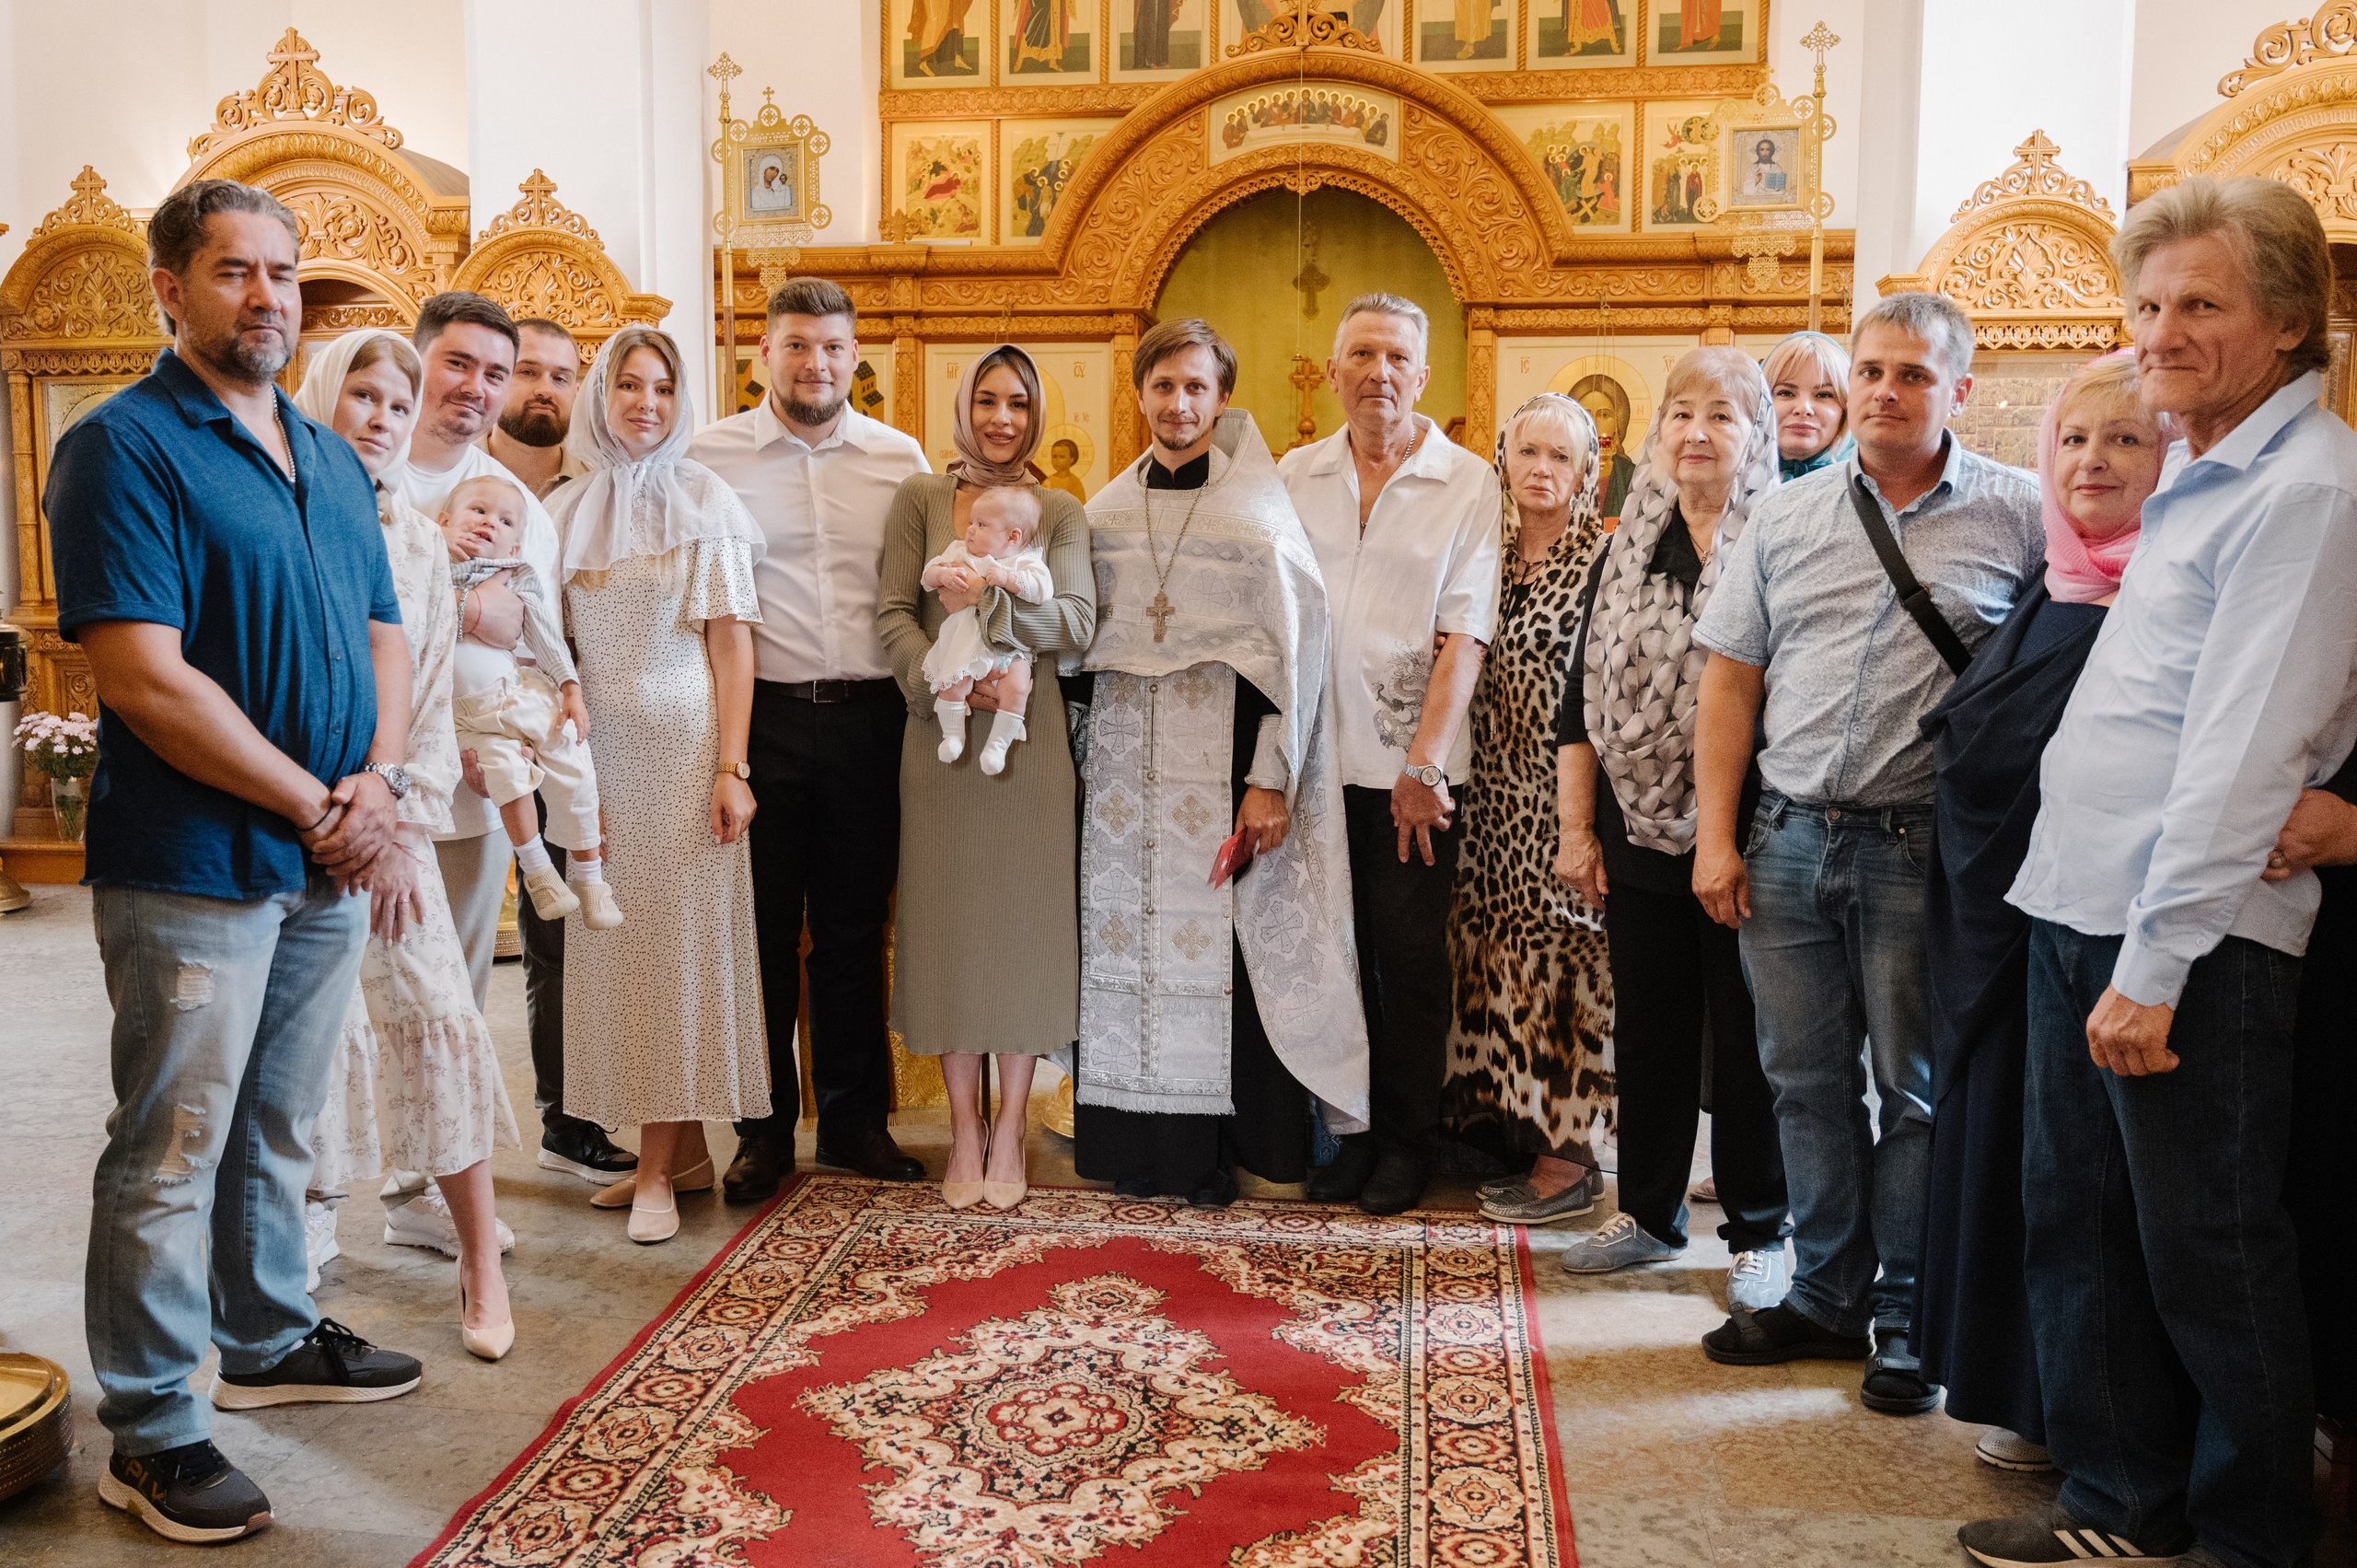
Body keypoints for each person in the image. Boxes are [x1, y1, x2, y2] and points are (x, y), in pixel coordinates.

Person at [1964, 177, 2357, 1568]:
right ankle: (2120, 1503)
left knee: (2209, 1250)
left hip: (2191, 937)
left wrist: (2152, 967)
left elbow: (2245, 756)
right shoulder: (2199, 465)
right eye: (2146, 303)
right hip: (2083, 902)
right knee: (2080, 1229)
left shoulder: (2309, 490)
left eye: (2201, 303)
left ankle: (2252, 1537)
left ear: (2293, 321)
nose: (2161, 331)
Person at [51, 179, 422, 1545]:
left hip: (321, 849)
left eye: (282, 271)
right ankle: (152, 1425)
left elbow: (384, 626)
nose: (265, 295)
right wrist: (320, 804)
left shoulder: (323, 453)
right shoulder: (125, 447)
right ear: (169, 286)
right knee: (171, 1144)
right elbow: (147, 678)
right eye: (232, 271)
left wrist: (371, 780)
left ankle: (265, 1335)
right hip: (194, 857)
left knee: (277, 1118)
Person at [1689, 291, 2040, 1415]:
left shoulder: (2022, 516)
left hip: (1917, 848)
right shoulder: (1785, 517)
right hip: (1787, 836)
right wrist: (1714, 835)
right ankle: (1827, 1290)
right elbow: (1731, 677)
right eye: (1872, 372)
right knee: (1801, 1080)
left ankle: (1903, 1312)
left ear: (1959, 391)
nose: (1886, 393)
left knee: (1914, 1090)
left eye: (1913, 376)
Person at [1913, 352, 2164, 1478]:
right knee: (2010, 1170)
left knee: (2094, 1197)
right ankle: (2018, 1389)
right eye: (2072, 438)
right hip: (1997, 948)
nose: (2092, 461)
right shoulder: (2050, 596)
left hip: (2100, 947)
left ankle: (2099, 1423)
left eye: (2124, 439)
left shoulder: (2161, 604)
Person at [1069, 319, 1369, 1205]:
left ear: (1223, 398)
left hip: (1222, 768)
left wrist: (1269, 778)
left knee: (1225, 960)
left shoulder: (1256, 517)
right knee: (1124, 948)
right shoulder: (1103, 515)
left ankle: (1216, 1158)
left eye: (1196, 387)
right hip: (1124, 775)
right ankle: (1141, 1152)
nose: (1178, 404)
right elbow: (1078, 654)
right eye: (1162, 387)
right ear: (1139, 394)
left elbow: (1294, 657)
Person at [294, 328, 524, 1365]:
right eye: (362, 397)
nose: (382, 417)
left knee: (436, 1009)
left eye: (397, 400)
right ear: (318, 401)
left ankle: (476, 1252)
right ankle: (295, 1239)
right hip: (296, 827)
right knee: (313, 1039)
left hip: (398, 827)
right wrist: (325, 816)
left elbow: (430, 697)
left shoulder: (423, 539)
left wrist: (394, 820)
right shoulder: (286, 516)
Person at [1547, 348, 1793, 1309]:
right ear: (1654, 436)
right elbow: (1578, 698)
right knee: (1646, 1027)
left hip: (1743, 825)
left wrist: (1723, 831)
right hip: (1635, 824)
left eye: (1722, 417)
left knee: (1745, 1035)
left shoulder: (1777, 534)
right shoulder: (1627, 541)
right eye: (1680, 414)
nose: (1696, 432)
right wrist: (1579, 830)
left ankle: (1760, 1231)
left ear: (1755, 435)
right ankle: (1646, 1212)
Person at [687, 277, 931, 1200]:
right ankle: (761, 1131)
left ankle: (855, 1121)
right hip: (764, 715)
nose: (814, 363)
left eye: (831, 347)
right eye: (795, 345)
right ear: (762, 355)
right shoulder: (711, 456)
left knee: (853, 927)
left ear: (854, 356)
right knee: (755, 930)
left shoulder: (899, 457)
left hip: (871, 715)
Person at [388, 291, 636, 1193]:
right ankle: (369, 1182)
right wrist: (468, 609)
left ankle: (488, 1157)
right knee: (394, 975)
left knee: (506, 955)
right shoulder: (415, 479)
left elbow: (554, 618)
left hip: (523, 743)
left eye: (516, 373)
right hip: (414, 753)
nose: (496, 388)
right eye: (486, 367)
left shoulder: (557, 493)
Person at [1279, 293, 1503, 1214]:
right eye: (1360, 354)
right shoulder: (1292, 474)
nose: (1378, 372)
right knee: (1328, 960)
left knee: (1406, 962)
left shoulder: (1466, 483)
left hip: (1407, 776)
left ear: (1423, 375)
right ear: (1332, 371)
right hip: (1308, 769)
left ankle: (1407, 1144)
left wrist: (1424, 768)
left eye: (1396, 357)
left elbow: (1466, 635)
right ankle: (1351, 1135)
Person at [551, 325, 772, 1245]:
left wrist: (733, 766)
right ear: (601, 396)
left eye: (663, 387)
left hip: (686, 761)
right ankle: (676, 1158)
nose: (645, 401)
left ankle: (654, 1168)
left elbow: (730, 642)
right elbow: (546, 641)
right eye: (629, 384)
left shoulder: (706, 500)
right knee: (615, 957)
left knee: (678, 959)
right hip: (599, 763)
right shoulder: (562, 509)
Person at [877, 343, 1096, 1210]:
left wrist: (994, 607)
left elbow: (1075, 620)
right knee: (950, 932)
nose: (1003, 418)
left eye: (1019, 403)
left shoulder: (1062, 510)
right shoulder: (921, 498)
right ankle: (965, 1128)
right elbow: (894, 608)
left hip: (1027, 738)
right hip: (939, 738)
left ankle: (1011, 1130)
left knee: (1022, 930)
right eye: (988, 400)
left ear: (1037, 414)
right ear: (963, 407)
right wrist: (936, 676)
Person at [1442, 393, 1614, 1226]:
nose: (1541, 470)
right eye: (1527, 453)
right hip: (1488, 799)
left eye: (1561, 457)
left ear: (1588, 474)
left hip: (1563, 799)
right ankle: (1515, 1134)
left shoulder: (1605, 563)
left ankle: (1570, 1162)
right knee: (1499, 964)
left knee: (1568, 978)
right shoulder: (1488, 552)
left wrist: (1582, 827)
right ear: (1504, 461)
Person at [440, 476, 618, 927]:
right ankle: (538, 872)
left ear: (515, 548)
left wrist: (571, 690)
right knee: (506, 775)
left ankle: (590, 878)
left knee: (571, 760)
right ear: (444, 522)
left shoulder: (515, 577)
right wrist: (434, 541)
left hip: (517, 696)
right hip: (465, 717)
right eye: (477, 511)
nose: (488, 523)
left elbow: (545, 637)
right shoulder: (428, 562)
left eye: (504, 521)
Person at [917, 484, 1055, 773]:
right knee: (953, 683)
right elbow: (928, 575)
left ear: (1013, 536)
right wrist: (943, 573)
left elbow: (1043, 591)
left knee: (1017, 689)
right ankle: (952, 734)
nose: (969, 530)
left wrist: (1008, 579)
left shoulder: (1026, 561)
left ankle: (998, 746)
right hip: (964, 641)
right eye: (970, 522)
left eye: (981, 525)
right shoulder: (959, 552)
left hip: (1010, 648)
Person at [484, 318, 589, 501]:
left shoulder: (595, 482)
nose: (545, 391)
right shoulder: (450, 469)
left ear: (576, 393)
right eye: (527, 372)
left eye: (560, 378)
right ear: (496, 379)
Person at [1762, 331, 1855, 480]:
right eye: (1786, 393)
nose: (1804, 408)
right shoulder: (1731, 480)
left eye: (1824, 395)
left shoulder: (1868, 485)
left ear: (1846, 409)